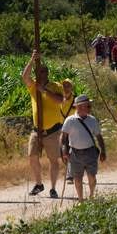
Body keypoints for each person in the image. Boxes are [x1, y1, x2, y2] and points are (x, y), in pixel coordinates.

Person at [22, 51, 65, 198]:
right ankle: (39, 184)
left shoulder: (55, 86)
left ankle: (53, 188)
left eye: (43, 71)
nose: (41, 74)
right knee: (32, 157)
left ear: (47, 73)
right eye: (38, 71)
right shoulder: (33, 86)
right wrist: (32, 60)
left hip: (52, 131)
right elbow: (24, 77)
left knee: (54, 160)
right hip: (36, 130)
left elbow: (60, 100)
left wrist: (45, 90)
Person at [60, 95, 106, 201]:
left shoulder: (92, 120)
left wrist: (103, 151)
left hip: (90, 152)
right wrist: (64, 151)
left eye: (89, 106)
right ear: (79, 107)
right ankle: (81, 199)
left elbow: (99, 137)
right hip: (75, 153)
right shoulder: (70, 120)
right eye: (87, 106)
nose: (90, 108)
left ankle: (91, 196)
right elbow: (64, 137)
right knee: (77, 178)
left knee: (92, 176)